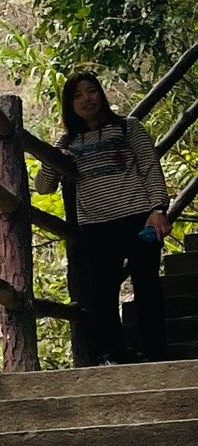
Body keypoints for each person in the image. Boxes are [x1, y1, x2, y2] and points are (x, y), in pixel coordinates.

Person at [39, 69, 170, 363]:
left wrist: (158, 209)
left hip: (139, 218)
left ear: (101, 93)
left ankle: (157, 357)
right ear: (69, 104)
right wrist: (59, 160)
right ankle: (118, 357)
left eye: (92, 90)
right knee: (102, 297)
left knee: (148, 288)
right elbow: (43, 187)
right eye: (78, 95)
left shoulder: (127, 128)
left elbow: (150, 168)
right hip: (96, 227)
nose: (87, 98)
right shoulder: (67, 143)